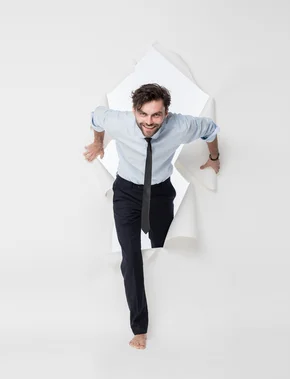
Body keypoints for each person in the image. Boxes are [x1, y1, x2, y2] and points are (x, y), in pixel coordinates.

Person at [83, 83, 221, 349]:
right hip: (126, 194)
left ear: (166, 113)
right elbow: (95, 117)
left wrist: (214, 156)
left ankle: (174, 306)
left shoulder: (180, 127)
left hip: (160, 193)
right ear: (134, 111)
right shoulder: (119, 121)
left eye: (156, 115)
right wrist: (97, 142)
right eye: (143, 114)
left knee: (164, 248)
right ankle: (139, 328)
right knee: (131, 257)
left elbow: (211, 129)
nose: (149, 121)